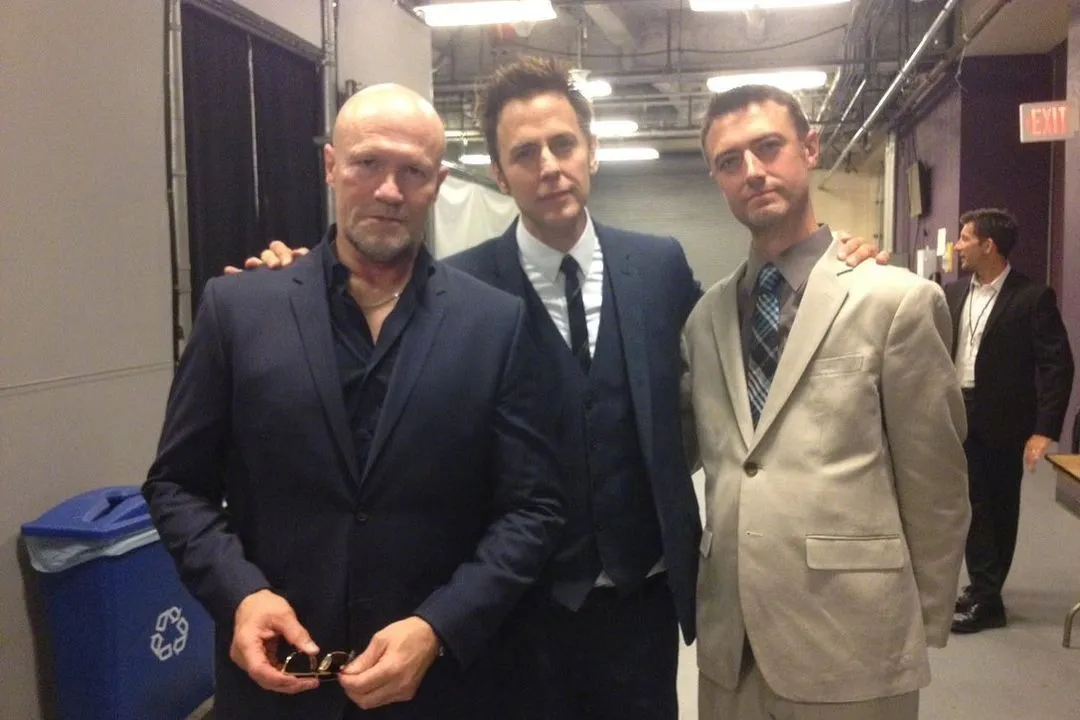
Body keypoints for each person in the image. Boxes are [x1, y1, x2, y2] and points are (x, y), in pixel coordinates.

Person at [244, 60, 884, 719]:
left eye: (563, 144)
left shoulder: (658, 266)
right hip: (508, 614)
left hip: (641, 604)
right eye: (525, 153)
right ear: (499, 174)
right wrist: (294, 276)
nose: (549, 166)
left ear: (591, 152)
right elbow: (360, 314)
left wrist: (828, 260)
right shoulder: (455, 289)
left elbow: (740, 335)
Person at [143, 84, 566, 719]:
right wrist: (241, 596)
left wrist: (439, 627)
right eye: (368, 163)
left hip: (438, 692)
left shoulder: (493, 324)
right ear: (331, 165)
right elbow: (177, 486)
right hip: (277, 689)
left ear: (438, 182)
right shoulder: (239, 310)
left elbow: (533, 509)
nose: (389, 191)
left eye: (413, 171)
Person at [683, 84, 970, 719]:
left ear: (810, 148)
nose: (751, 171)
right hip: (731, 645)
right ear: (716, 178)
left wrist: (912, 628)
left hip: (853, 642)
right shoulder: (704, 320)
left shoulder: (894, 301)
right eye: (729, 161)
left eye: (768, 147)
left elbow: (937, 486)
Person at [946, 208, 1075, 633]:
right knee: (974, 503)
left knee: (1000, 505)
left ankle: (987, 594)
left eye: (966, 238)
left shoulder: (1032, 297)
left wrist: (1044, 429)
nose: (958, 246)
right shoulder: (953, 293)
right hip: (958, 411)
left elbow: (1057, 365)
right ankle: (986, 593)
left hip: (1004, 418)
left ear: (989, 246)